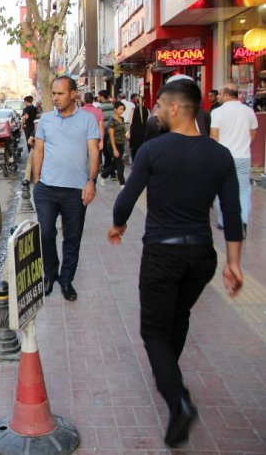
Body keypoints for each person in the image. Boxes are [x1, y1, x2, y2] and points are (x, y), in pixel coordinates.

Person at [108, 79, 243, 447]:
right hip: (202, 257)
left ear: (173, 108)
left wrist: (118, 224)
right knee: (179, 315)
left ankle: (178, 399)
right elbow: (232, 212)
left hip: (162, 254)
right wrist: (234, 263)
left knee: (153, 331)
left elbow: (126, 199)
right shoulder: (220, 155)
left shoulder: (154, 151)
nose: (154, 113)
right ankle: (169, 374)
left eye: (158, 107)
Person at [32, 76, 100, 301]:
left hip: (75, 190)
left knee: (72, 238)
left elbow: (93, 151)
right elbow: (39, 151)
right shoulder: (46, 119)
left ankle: (66, 280)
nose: (55, 98)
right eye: (53, 93)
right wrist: (36, 180)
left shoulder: (88, 120)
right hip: (47, 188)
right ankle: (50, 274)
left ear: (73, 94)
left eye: (60, 93)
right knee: (46, 232)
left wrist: (91, 181)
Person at [211, 82, 258, 236]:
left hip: (223, 156)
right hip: (243, 156)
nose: (217, 96)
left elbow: (214, 135)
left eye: (219, 94)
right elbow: (253, 134)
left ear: (226, 95)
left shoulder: (217, 112)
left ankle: (224, 221)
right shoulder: (248, 111)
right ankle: (242, 220)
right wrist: (244, 144)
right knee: (243, 189)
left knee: (223, 189)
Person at [100, 101, 127, 187]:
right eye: (120, 109)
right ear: (115, 109)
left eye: (123, 109)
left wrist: (127, 134)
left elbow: (123, 131)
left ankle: (103, 175)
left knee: (115, 164)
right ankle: (122, 183)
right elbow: (111, 136)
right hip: (112, 145)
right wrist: (114, 149)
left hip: (121, 144)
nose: (122, 111)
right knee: (120, 164)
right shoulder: (112, 120)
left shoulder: (122, 119)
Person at [80, 92, 105, 162]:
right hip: (94, 138)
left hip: (81, 139)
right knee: (94, 160)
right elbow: (101, 127)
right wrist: (102, 141)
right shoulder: (98, 111)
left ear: (84, 100)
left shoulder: (79, 111)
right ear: (93, 100)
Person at [97, 90, 116, 181]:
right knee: (111, 153)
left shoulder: (100, 108)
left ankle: (108, 172)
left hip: (104, 133)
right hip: (113, 132)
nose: (98, 98)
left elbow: (99, 122)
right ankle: (110, 172)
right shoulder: (113, 106)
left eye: (99, 96)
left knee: (107, 153)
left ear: (101, 96)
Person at [128, 94, 149, 162]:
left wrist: (128, 132)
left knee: (134, 148)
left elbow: (130, 122)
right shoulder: (147, 110)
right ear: (143, 101)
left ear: (136, 101)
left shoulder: (133, 110)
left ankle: (134, 162)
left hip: (134, 131)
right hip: (144, 130)